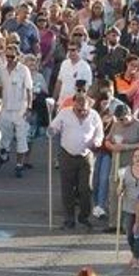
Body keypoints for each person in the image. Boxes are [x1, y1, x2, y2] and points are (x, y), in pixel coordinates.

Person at [52, 91, 104, 230]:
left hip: (86, 155)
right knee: (67, 188)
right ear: (74, 105)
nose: (82, 113)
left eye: (85, 110)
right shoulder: (64, 113)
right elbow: (54, 127)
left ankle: (84, 217)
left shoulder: (94, 115)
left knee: (85, 188)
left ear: (89, 106)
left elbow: (99, 134)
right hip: (67, 154)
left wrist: (97, 142)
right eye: (79, 110)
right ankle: (69, 219)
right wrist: (51, 131)